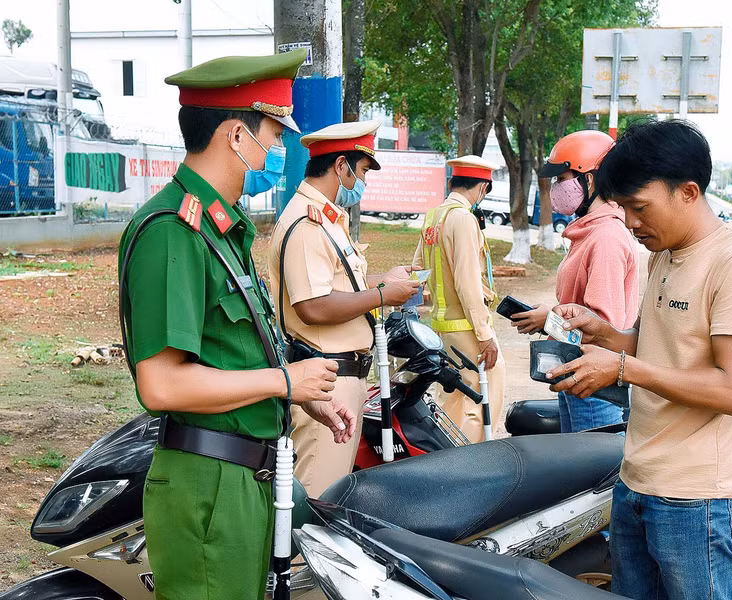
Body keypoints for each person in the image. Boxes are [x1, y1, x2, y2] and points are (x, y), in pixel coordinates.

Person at [118, 51, 354, 600]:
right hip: (208, 485)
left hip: (248, 477)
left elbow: (233, 353)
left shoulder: (224, 231)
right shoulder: (173, 232)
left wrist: (301, 396)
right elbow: (162, 384)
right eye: (273, 136)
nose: (278, 152)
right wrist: (282, 383)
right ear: (234, 135)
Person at [546, 120, 732, 600]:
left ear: (688, 192)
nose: (630, 223)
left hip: (697, 498)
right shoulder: (665, 254)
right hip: (638, 477)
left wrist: (624, 369)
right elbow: (658, 347)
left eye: (639, 207)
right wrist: (607, 334)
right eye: (624, 208)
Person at [267, 119, 421, 497]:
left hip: (340, 375)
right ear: (341, 166)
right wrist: (383, 296)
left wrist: (383, 281)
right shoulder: (307, 224)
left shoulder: (328, 219)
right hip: (325, 378)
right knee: (316, 504)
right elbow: (314, 307)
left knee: (331, 495)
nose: (362, 182)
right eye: (362, 171)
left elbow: (339, 286)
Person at [509, 130, 639, 431]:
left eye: (562, 179)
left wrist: (549, 321)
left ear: (590, 180)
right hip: (576, 370)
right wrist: (553, 313)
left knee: (591, 473)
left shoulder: (606, 237)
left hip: (594, 379)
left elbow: (602, 328)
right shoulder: (589, 232)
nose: (556, 188)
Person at [412, 155, 505, 442]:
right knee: (480, 400)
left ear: (453, 182)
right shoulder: (463, 219)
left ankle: (444, 458)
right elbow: (468, 283)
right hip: (466, 327)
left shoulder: (434, 216)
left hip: (442, 326)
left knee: (451, 398)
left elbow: (418, 267)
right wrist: (485, 333)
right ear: (482, 188)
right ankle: (468, 465)